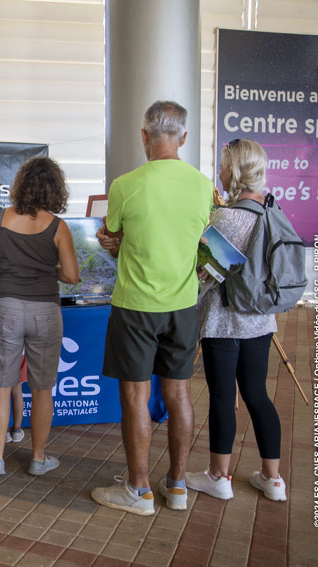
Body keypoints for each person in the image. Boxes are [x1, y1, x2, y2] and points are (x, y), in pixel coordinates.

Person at [91, 101, 213, 515]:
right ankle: (177, 486)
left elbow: (110, 234)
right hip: (183, 306)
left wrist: (115, 240)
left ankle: (138, 489)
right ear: (182, 137)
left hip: (136, 307)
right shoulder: (202, 184)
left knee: (135, 396)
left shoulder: (125, 184)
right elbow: (196, 238)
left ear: (144, 136)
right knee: (179, 393)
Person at [185, 139, 287, 502]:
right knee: (258, 395)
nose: (221, 170)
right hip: (260, 323)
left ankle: (218, 476)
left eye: (225, 164)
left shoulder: (226, 218)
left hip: (222, 325)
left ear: (237, 171)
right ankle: (273, 480)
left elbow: (202, 275)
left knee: (223, 398)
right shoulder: (271, 213)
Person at [0, 156, 79, 477]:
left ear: (20, 186)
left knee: (1, 385)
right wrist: (50, 268)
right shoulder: (58, 227)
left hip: (5, 307)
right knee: (43, 388)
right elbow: (73, 276)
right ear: (55, 189)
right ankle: (37, 458)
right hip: (45, 310)